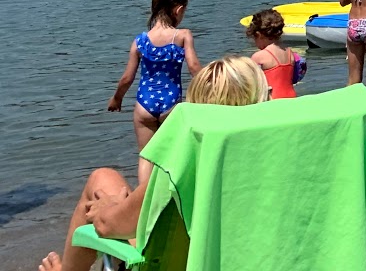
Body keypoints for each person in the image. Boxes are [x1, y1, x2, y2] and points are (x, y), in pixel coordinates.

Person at [43, 57, 267, 271]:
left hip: (179, 262)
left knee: (100, 181)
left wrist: (110, 207)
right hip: (245, 257)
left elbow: (105, 225)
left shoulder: (181, 167)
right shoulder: (279, 164)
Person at [107, 0, 202, 154]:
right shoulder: (182, 35)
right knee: (172, 156)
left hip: (145, 105)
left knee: (146, 155)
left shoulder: (140, 40)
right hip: (171, 105)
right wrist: (210, 91)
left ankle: (144, 182)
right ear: (178, 10)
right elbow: (194, 67)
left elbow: (127, 78)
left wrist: (117, 98)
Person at [246, 8, 305, 100]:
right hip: (292, 97)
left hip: (272, 100)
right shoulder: (290, 52)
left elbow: (250, 83)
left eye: (254, 39)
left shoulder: (259, 56)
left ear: (259, 35)